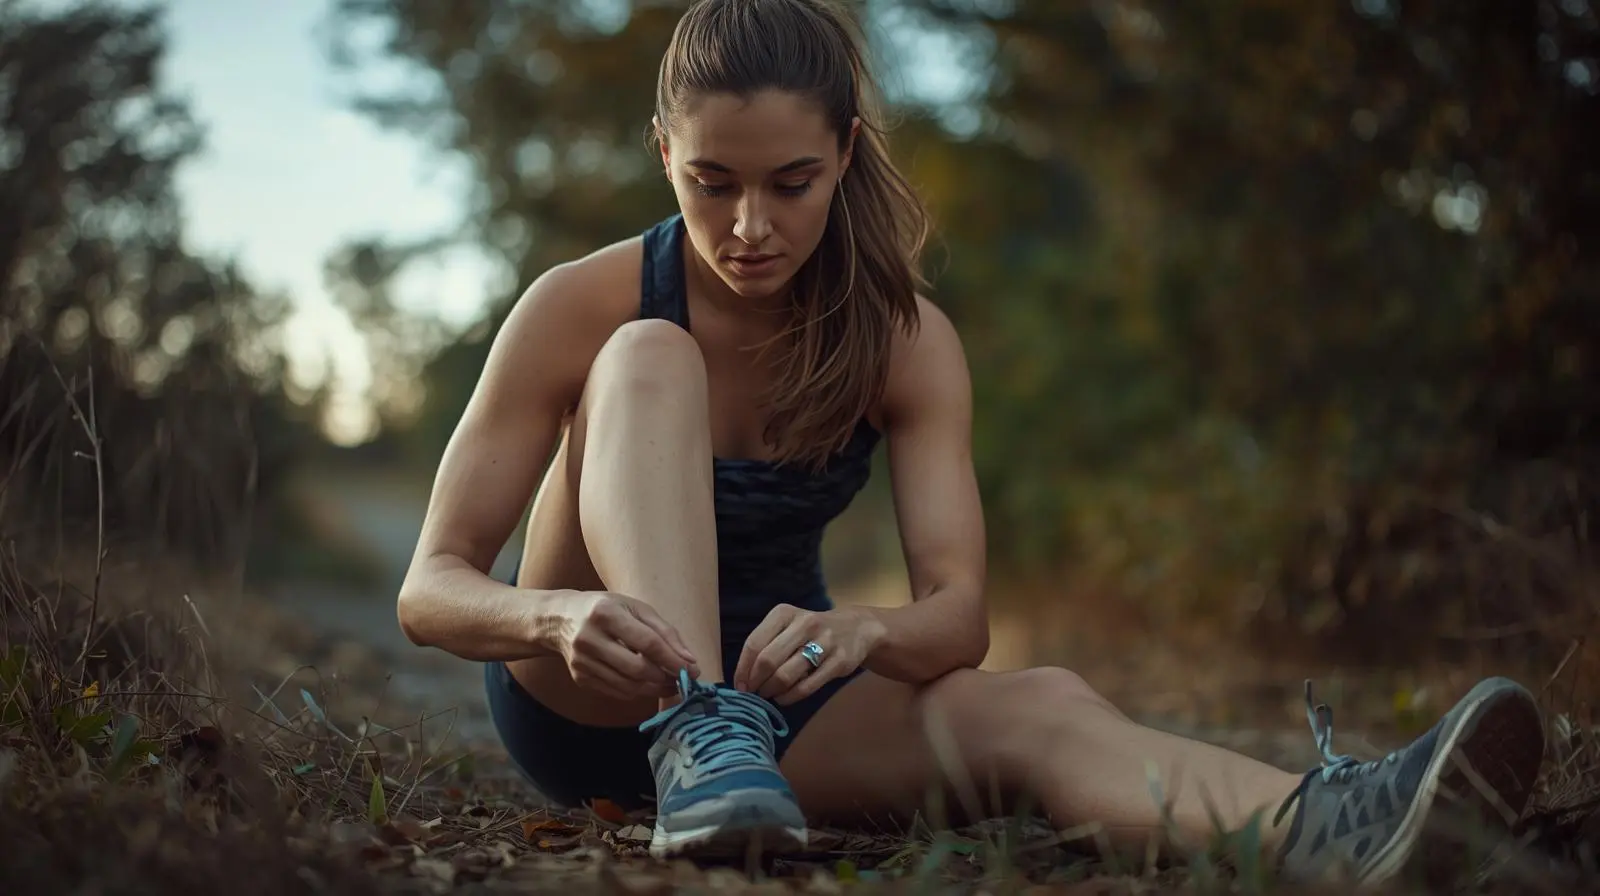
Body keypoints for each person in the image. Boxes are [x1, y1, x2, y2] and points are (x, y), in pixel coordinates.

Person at [395, 0, 1548, 887]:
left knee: (1040, 699)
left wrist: (865, 629)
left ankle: (1338, 826)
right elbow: (430, 588)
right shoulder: (577, 302)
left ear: (844, 153)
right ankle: (693, 730)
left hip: (777, 727)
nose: (750, 227)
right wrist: (554, 615)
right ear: (662, 153)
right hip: (585, 696)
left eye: (791, 184)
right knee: (651, 355)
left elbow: (959, 615)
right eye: (712, 183)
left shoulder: (904, 339)